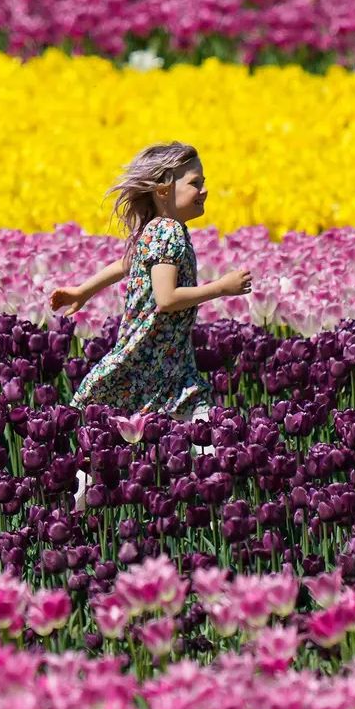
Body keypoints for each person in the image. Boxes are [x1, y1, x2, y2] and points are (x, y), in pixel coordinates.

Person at [49, 141, 253, 506]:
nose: (204, 189)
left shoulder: (158, 229)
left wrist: (83, 290)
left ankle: (85, 503)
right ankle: (211, 497)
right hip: (151, 358)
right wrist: (221, 288)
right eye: (194, 182)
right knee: (184, 429)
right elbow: (166, 298)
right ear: (163, 191)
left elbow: (127, 264)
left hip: (166, 358)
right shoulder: (169, 232)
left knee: (156, 426)